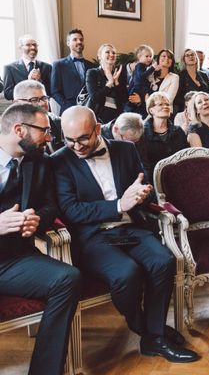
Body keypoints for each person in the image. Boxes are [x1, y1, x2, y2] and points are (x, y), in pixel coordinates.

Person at [52, 106, 199, 363]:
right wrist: (119, 204)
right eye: (69, 139)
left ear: (98, 129)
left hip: (131, 228)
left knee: (163, 261)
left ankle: (154, 340)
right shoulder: (59, 160)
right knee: (126, 273)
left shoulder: (125, 149)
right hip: (93, 237)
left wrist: (143, 194)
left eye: (83, 138)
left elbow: (145, 190)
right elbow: (71, 210)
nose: (76, 146)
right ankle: (146, 328)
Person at [0, 103, 81, 375]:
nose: (49, 137)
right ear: (19, 129)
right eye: (44, 130)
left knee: (68, 278)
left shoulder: (39, 161)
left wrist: (37, 220)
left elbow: (50, 207)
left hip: (14, 260)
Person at [13, 80, 65, 154]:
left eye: (44, 98)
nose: (42, 103)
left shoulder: (58, 122)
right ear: (17, 103)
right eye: (34, 100)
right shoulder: (13, 132)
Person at [51, 28, 96, 113]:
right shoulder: (58, 64)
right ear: (68, 43)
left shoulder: (92, 66)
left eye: (81, 39)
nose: (79, 42)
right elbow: (55, 91)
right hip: (68, 111)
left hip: (89, 110)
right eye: (75, 39)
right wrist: (67, 105)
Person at [101, 112, 152, 181]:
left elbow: (143, 164)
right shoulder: (98, 137)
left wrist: (142, 183)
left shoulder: (138, 136)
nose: (131, 145)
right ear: (116, 129)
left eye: (135, 141)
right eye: (127, 141)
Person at [85, 43, 128, 124]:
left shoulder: (120, 73)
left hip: (116, 118)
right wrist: (110, 83)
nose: (111, 55)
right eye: (107, 52)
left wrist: (116, 82)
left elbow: (124, 99)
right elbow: (95, 97)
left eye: (114, 53)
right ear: (99, 56)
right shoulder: (92, 73)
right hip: (98, 117)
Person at [144, 92, 188, 169]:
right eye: (160, 104)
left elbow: (185, 156)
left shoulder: (178, 131)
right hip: (153, 177)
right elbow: (144, 163)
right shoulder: (143, 133)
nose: (165, 107)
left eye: (167, 104)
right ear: (151, 110)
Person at [3, 35, 52, 101]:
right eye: (28, 45)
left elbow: (52, 92)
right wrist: (28, 82)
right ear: (20, 48)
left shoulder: (48, 67)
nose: (32, 47)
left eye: (35, 45)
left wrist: (40, 82)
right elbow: (8, 94)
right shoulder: (9, 68)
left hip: (43, 108)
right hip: (22, 109)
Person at [174, 49, 209, 114]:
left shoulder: (204, 75)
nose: (190, 57)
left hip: (205, 109)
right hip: (188, 111)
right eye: (187, 55)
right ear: (184, 59)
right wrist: (192, 103)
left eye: (192, 55)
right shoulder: (180, 76)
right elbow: (177, 98)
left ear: (196, 58)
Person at [125, 45, 157, 116]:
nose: (149, 58)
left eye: (150, 56)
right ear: (139, 56)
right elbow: (142, 76)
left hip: (140, 88)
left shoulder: (143, 67)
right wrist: (152, 68)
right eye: (147, 56)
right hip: (138, 88)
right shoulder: (140, 65)